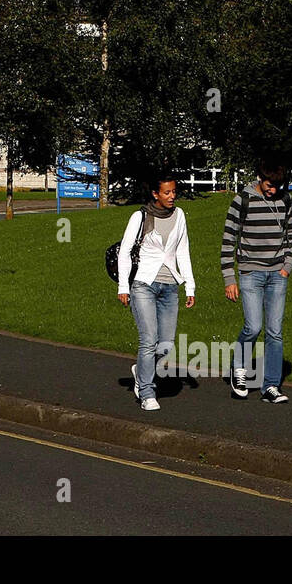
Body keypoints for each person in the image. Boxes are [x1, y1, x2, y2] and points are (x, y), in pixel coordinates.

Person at [221, 160, 292, 404]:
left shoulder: (285, 200)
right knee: (253, 327)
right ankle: (239, 369)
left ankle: (271, 386)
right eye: (268, 184)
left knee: (275, 332)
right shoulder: (242, 200)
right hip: (249, 273)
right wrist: (229, 278)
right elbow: (228, 239)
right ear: (259, 178)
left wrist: (287, 267)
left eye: (276, 185)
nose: (272, 189)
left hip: (277, 274)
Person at [117, 174, 196, 411]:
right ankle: (147, 392)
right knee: (149, 340)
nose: (172, 197)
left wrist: (189, 286)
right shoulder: (140, 216)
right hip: (143, 285)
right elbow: (124, 251)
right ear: (155, 194)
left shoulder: (179, 215)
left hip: (170, 287)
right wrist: (123, 286)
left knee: (166, 345)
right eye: (167, 193)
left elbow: (183, 251)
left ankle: (142, 368)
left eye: (174, 192)